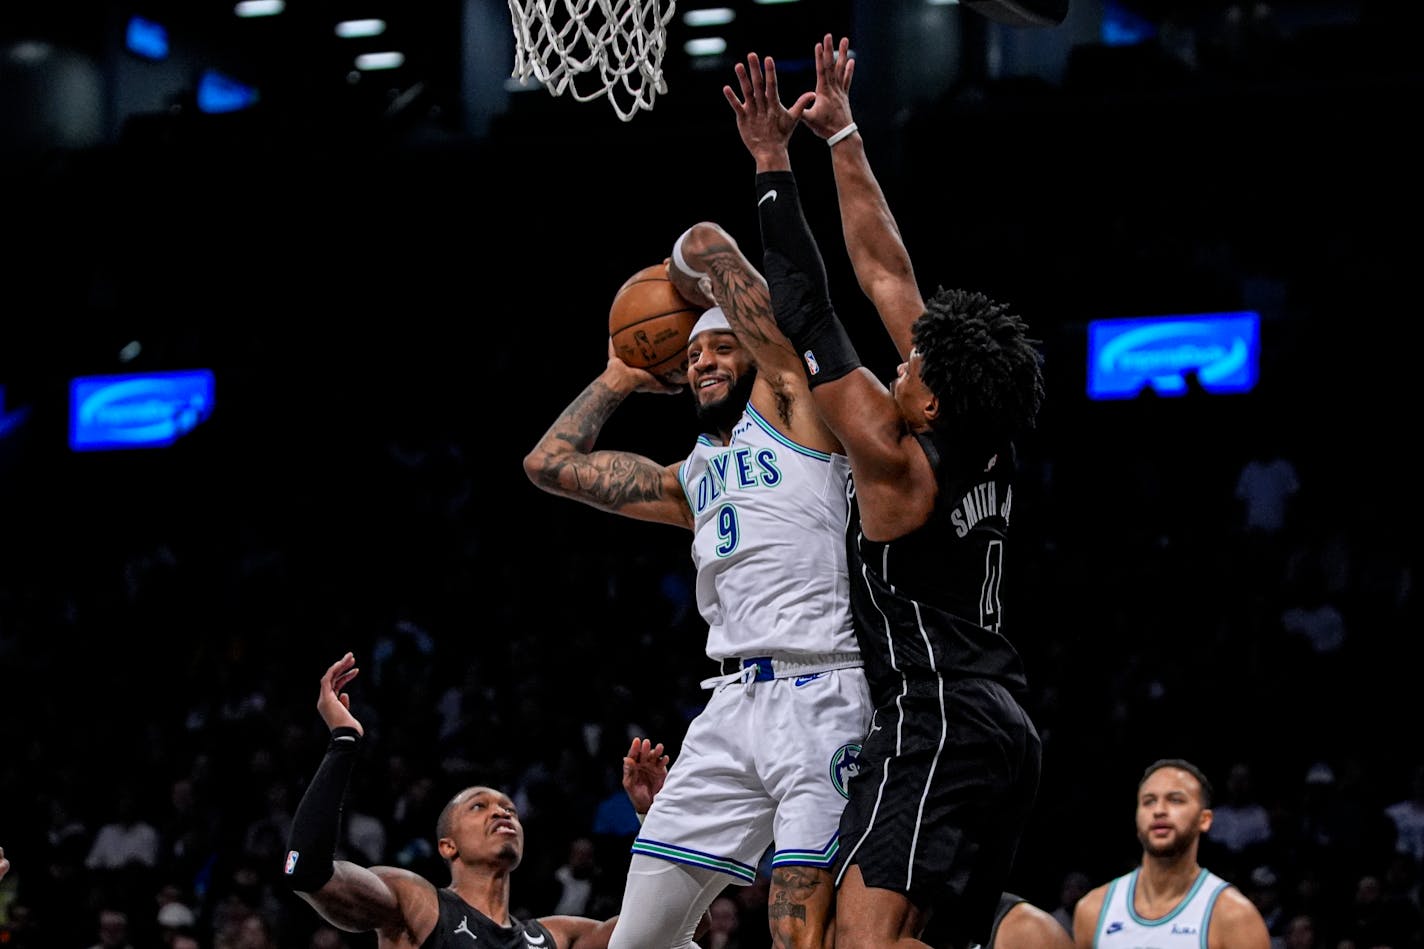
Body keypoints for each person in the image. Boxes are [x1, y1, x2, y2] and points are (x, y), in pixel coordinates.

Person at [668, 33, 1045, 949]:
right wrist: (842, 136)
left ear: (932, 397)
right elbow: (887, 272)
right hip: (1007, 726)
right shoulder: (980, 420)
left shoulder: (894, 456)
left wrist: (769, 164)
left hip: (936, 713)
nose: (902, 360)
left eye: (911, 364)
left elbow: (808, 311)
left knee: (860, 946)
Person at [523, 246, 872, 949]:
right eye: (690, 355)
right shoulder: (690, 479)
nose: (702, 361)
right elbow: (547, 464)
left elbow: (716, 247)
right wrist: (621, 374)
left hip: (823, 687)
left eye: (721, 347)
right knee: (637, 941)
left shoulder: (801, 414)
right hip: (729, 704)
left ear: (757, 354)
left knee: (798, 935)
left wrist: (693, 269)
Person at [280, 652, 622, 949]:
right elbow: (306, 871)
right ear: (448, 846)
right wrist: (343, 739)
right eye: (479, 806)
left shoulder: (555, 937)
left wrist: (651, 814)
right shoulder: (419, 904)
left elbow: (653, 930)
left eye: (509, 809)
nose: (501, 812)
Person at [1071, 758, 1271, 948]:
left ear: (1205, 819)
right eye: (1149, 801)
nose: (1159, 810)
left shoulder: (1235, 917)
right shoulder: (1092, 910)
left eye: (1175, 800)